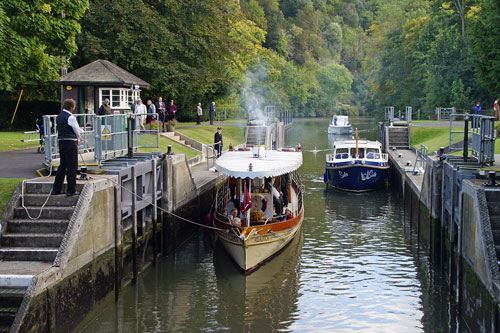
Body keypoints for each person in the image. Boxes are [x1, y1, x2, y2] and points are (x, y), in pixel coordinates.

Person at [52, 99, 81, 196]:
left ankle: (56, 189)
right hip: (70, 142)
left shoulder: (59, 117)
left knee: (62, 166)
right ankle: (71, 190)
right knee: (72, 166)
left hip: (62, 142)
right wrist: (78, 139)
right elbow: (77, 130)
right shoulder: (71, 117)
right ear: (71, 107)